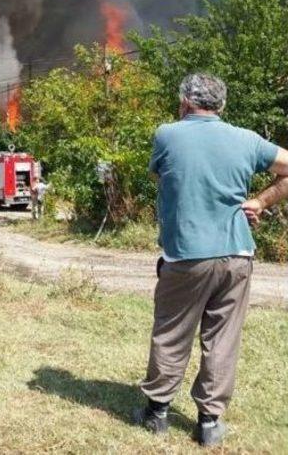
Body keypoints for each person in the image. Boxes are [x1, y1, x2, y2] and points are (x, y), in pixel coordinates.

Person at [134, 73, 288, 447]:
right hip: (238, 254)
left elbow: (164, 178)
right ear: (222, 105)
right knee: (222, 338)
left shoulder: (168, 134)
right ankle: (209, 423)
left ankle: (156, 413)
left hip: (187, 255)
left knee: (172, 332)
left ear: (185, 102)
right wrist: (260, 201)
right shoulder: (247, 139)